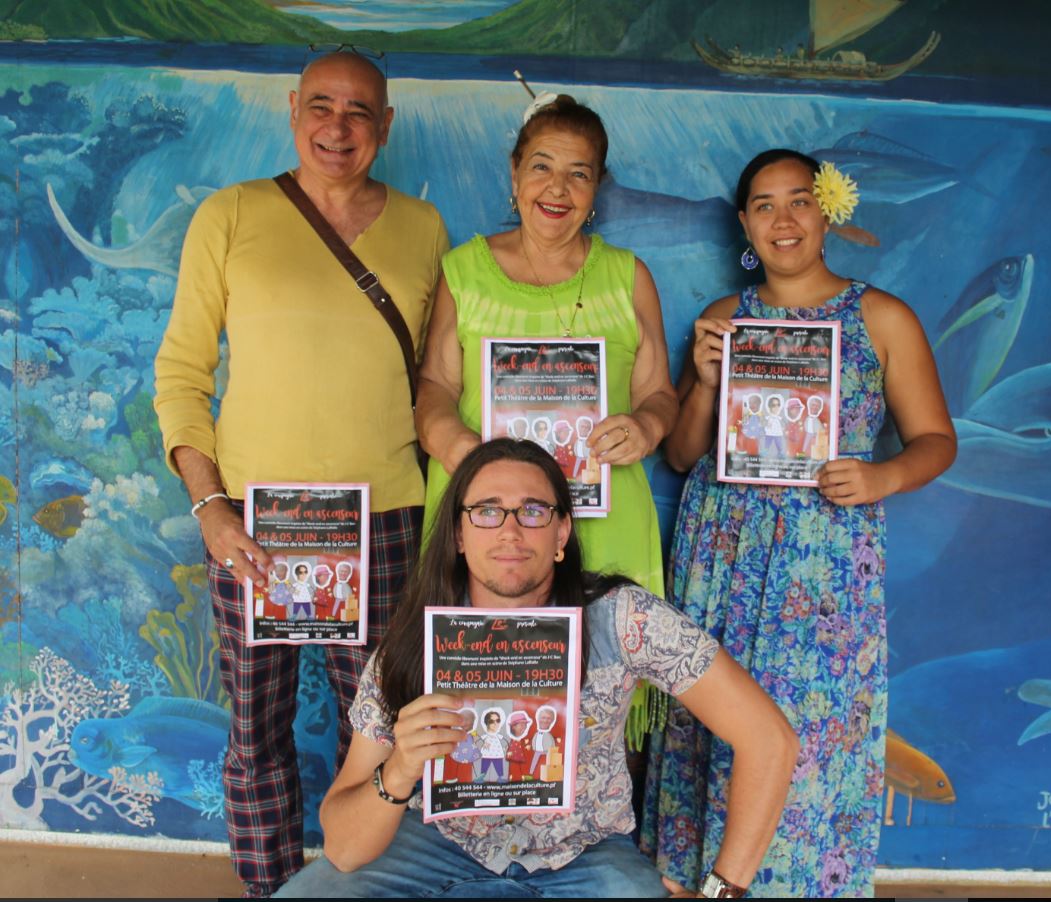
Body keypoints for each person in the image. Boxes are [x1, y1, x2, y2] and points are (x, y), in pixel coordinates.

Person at [152, 50, 449, 897]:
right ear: (292, 111)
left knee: (388, 728)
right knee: (256, 729)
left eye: (360, 112)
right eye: (322, 106)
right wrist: (210, 505)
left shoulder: (422, 230)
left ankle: (373, 885)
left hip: (385, 514)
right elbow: (181, 373)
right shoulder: (232, 213)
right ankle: (271, 887)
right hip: (253, 518)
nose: (339, 127)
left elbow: (436, 380)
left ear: (385, 127)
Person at [275, 439, 798, 899]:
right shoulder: (413, 645)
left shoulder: (622, 617)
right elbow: (343, 849)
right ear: (458, 533)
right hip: (434, 843)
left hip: (585, 854)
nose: (509, 530)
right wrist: (401, 769)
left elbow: (770, 739)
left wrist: (722, 892)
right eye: (486, 510)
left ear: (562, 532)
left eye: (532, 510)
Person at [642, 149, 956, 898]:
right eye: (762, 205)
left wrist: (882, 475)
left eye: (798, 201)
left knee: (812, 729)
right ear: (745, 224)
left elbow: (936, 440)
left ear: (826, 213)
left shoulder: (881, 317)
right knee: (705, 729)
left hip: (822, 561)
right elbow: (683, 454)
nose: (782, 219)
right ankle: (698, 881)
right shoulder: (723, 319)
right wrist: (705, 382)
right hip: (721, 552)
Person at [416, 94, 677, 600]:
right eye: (541, 167)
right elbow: (434, 387)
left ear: (597, 186)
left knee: (604, 664)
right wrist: (454, 443)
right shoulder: (464, 272)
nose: (557, 188)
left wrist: (647, 426)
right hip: (489, 523)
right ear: (514, 175)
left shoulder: (629, 277)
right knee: (483, 669)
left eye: (579, 173)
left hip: (603, 520)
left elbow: (658, 392)